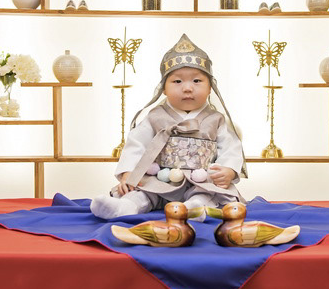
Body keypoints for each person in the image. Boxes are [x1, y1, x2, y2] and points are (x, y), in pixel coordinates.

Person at [91, 34, 247, 220]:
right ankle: (124, 207)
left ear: (210, 88)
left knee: (206, 194)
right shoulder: (155, 117)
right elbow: (136, 145)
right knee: (142, 191)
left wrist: (228, 170)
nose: (187, 88)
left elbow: (231, 148)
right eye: (177, 81)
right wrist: (128, 172)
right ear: (163, 88)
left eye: (197, 81)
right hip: (160, 178)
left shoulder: (216, 119)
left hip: (202, 179)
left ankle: (194, 208)